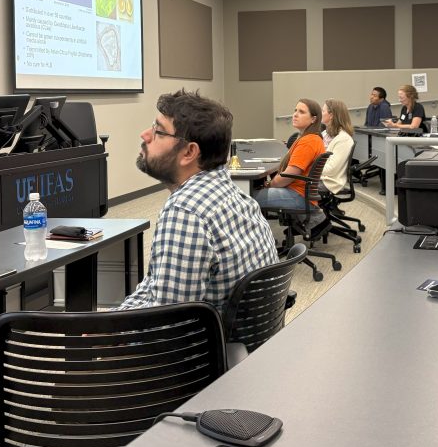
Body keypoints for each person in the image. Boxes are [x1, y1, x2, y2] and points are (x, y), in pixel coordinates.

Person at [117, 90, 278, 312]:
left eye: (159, 131)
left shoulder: (185, 212)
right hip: (243, 343)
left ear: (189, 152)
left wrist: (106, 337)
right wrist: (115, 318)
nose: (145, 135)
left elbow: (165, 325)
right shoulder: (238, 198)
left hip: (202, 345)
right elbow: (154, 284)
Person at [254, 98, 328, 234]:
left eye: (301, 112)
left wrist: (269, 184)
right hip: (301, 193)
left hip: (297, 195)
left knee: (248, 198)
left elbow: (288, 177)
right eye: (295, 110)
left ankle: (260, 240)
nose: (295, 114)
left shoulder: (307, 142)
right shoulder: (311, 138)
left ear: (313, 119)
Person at [320, 99, 355, 195]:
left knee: (292, 183)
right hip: (319, 176)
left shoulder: (344, 139)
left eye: (323, 111)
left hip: (329, 182)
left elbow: (331, 170)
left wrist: (307, 168)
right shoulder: (326, 133)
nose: (321, 113)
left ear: (331, 115)